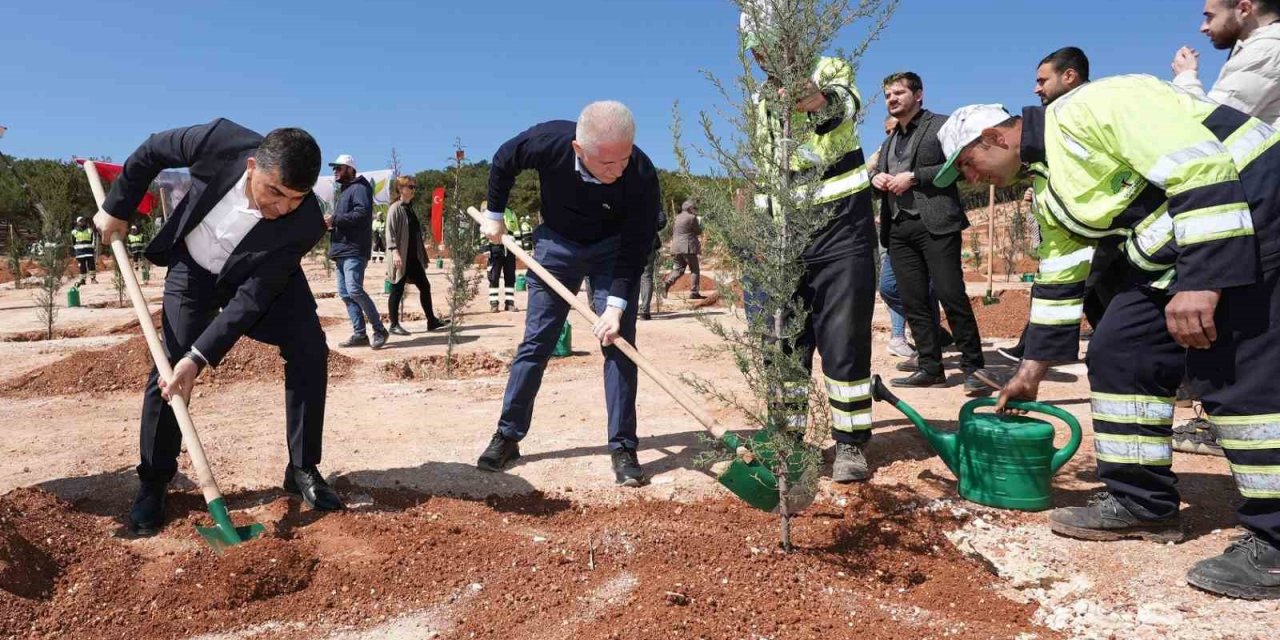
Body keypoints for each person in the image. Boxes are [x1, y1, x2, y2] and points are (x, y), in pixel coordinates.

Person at [937, 75, 1280, 599]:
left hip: (1252, 212)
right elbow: (1060, 274)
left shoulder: (1094, 107)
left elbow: (1200, 167)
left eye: (965, 163)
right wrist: (1030, 371)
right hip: (1177, 254)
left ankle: (1275, 541)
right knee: (1121, 348)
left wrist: (1204, 279)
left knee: (1234, 374)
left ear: (993, 136)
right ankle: (1143, 503)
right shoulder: (1047, 189)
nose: (967, 176)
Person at [94, 119, 344, 536]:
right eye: (275, 192)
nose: (282, 207)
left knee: (308, 347)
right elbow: (154, 150)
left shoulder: (303, 223)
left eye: (296, 199)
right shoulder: (218, 141)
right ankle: (154, 480)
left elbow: (252, 299)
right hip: (193, 269)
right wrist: (117, 207)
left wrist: (201, 357)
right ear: (251, 166)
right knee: (169, 365)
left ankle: (302, 467)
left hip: (259, 279)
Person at [474, 101, 660, 487]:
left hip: (613, 250)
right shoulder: (549, 142)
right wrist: (494, 214)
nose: (618, 170)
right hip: (556, 247)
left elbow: (636, 245)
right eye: (607, 164)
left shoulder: (640, 173)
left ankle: (623, 446)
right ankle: (508, 436)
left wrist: (616, 305)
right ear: (579, 150)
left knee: (619, 343)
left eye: (623, 159)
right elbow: (504, 158)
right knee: (537, 341)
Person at [742, 10, 878, 483]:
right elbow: (764, 166)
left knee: (843, 336)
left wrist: (805, 92)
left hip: (842, 228)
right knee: (784, 340)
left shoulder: (832, 69)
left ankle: (850, 444)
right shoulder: (759, 96)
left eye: (768, 46)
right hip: (784, 235)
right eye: (756, 50)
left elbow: (834, 110)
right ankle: (790, 440)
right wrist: (761, 231)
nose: (762, 58)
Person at [871, 71, 995, 394]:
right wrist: (878, 181)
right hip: (898, 229)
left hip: (936, 224)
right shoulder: (888, 142)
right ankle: (930, 366)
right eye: (888, 95)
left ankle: (974, 368)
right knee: (914, 301)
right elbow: (882, 180)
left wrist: (914, 177)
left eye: (898, 93)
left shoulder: (941, 125)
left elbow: (957, 166)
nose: (892, 99)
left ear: (919, 94)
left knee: (950, 294)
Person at [1002, 46, 1106, 364]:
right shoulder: (1065, 119)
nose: (1037, 88)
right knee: (1097, 296)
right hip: (1088, 233)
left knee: (1084, 289)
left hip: (1104, 230)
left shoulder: (1091, 112)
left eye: (1042, 80)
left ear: (1069, 76)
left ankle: (1036, 349)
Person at [1172, 0, 1280, 127]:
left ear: (1244, 9)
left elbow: (1210, 124)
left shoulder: (1264, 51)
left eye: (1210, 16)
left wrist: (1185, 76)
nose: (1204, 27)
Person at [326, 154, 387, 350]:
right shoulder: (344, 191)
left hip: (354, 250)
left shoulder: (359, 188)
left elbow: (361, 215)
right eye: (334, 168)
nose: (335, 171)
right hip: (341, 250)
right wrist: (332, 225)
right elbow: (346, 219)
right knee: (345, 293)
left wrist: (335, 220)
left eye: (339, 168)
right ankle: (360, 334)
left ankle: (379, 330)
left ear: (351, 169)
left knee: (354, 290)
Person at [385, 175, 448, 335]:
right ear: (401, 189)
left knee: (425, 286)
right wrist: (395, 252)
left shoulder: (409, 208)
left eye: (414, 187)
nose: (414, 190)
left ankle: (431, 321)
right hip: (400, 256)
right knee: (397, 289)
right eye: (410, 187)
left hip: (412, 258)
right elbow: (390, 233)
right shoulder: (395, 208)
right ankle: (393, 325)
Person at [661, 200, 704, 300]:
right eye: (694, 208)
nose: (695, 210)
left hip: (676, 247)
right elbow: (698, 231)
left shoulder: (677, 217)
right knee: (695, 270)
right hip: (687, 247)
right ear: (690, 208)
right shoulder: (692, 218)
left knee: (678, 269)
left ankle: (667, 283)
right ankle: (694, 292)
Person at [486, 207, 520, 312]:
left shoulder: (511, 213)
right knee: (493, 277)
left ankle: (509, 303)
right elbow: (484, 231)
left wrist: (518, 249)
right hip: (495, 249)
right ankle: (494, 304)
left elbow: (517, 231)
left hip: (510, 250)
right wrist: (485, 248)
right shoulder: (490, 212)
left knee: (510, 277)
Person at [638, 206, 668, 320]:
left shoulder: (623, 192)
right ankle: (644, 311)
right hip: (648, 241)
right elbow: (662, 220)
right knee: (646, 276)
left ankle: (627, 310)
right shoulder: (651, 193)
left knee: (628, 275)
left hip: (628, 242)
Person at [71, 216, 97, 285]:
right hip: (79, 253)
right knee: (82, 267)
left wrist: (93, 249)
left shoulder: (89, 230)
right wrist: (76, 250)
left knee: (91, 266)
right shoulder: (74, 232)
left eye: (82, 221)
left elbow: (93, 240)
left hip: (89, 252)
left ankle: (93, 279)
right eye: (80, 221)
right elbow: (73, 242)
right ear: (77, 222)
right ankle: (83, 280)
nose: (82, 222)